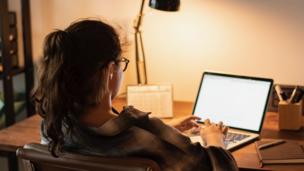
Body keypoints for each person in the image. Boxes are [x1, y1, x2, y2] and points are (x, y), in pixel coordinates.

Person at [33, 19, 238, 171]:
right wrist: (214, 137)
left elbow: (111, 138)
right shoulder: (146, 135)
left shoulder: (53, 127)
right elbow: (219, 168)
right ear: (110, 70)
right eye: (121, 63)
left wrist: (168, 129)